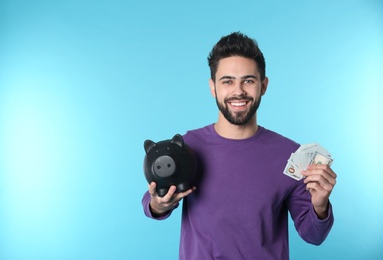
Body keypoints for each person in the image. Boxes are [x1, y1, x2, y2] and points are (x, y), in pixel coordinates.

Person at [142, 32, 336, 259]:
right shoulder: (187, 147)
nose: (238, 91)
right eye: (227, 81)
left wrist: (320, 206)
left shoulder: (290, 155)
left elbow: (313, 235)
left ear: (263, 86)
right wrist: (159, 204)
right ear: (213, 87)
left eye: (248, 80)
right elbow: (152, 200)